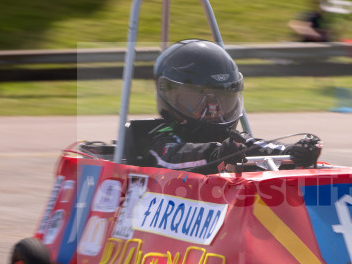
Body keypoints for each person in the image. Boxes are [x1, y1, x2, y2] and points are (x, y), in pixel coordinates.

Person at [138, 39, 322, 174]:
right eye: (199, 98)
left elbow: (254, 146)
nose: (213, 109)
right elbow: (170, 158)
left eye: (221, 98)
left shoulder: (228, 141)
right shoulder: (162, 139)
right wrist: (217, 154)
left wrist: (293, 152)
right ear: (170, 95)